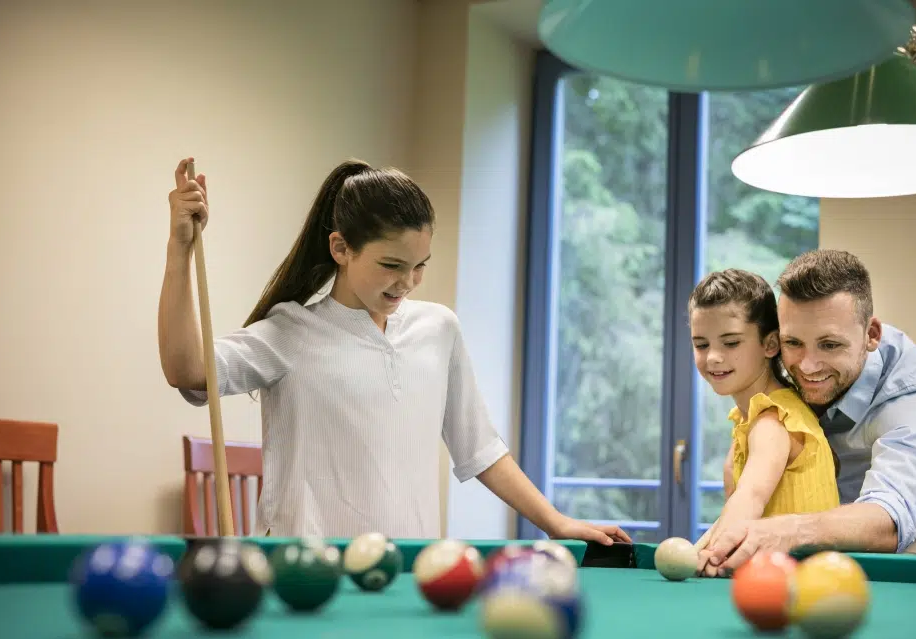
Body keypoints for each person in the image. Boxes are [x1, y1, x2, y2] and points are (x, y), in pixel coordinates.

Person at [158, 156, 631, 545]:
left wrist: (557, 523)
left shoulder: (439, 328)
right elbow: (186, 369)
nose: (407, 282)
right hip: (310, 576)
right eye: (391, 265)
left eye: (419, 266)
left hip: (411, 575)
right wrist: (179, 250)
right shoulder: (290, 332)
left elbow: (481, 449)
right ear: (341, 248)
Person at [700, 249, 916, 575]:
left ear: (871, 335)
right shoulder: (787, 358)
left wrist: (787, 530)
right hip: (821, 522)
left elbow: (890, 519)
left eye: (830, 345)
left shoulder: (910, 395)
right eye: (793, 343)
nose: (806, 366)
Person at [686, 269, 839, 569]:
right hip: (769, 581)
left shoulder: (774, 420)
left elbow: (751, 498)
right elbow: (737, 513)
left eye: (730, 343)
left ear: (770, 345)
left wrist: (709, 555)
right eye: (701, 344)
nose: (713, 357)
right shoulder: (747, 421)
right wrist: (697, 552)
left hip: (801, 588)